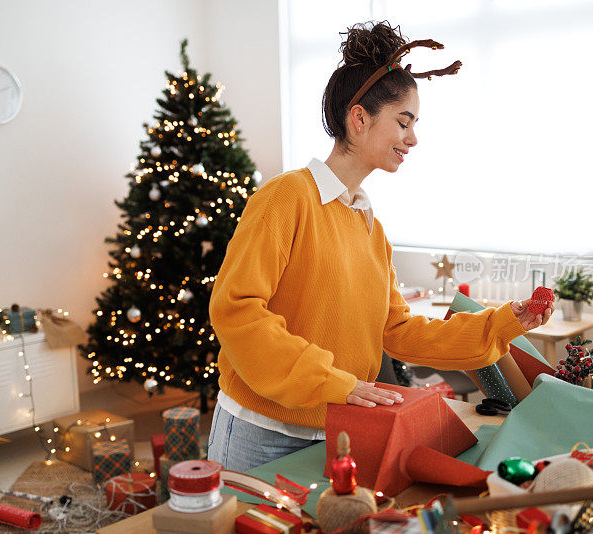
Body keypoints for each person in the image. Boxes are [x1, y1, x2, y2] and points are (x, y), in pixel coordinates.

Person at [206, 21, 554, 472]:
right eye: (404, 122)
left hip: (338, 429)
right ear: (360, 118)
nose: (413, 139)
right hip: (262, 431)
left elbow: (398, 331)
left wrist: (504, 323)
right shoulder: (287, 198)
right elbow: (237, 311)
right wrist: (330, 381)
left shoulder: (370, 229)